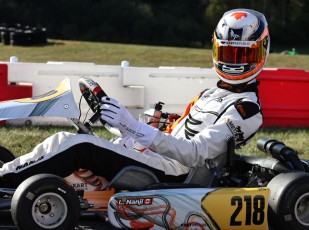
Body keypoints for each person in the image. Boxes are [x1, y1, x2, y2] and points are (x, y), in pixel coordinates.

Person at [0, 8, 269, 189]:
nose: (232, 63)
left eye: (241, 56)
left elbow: (196, 154)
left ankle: (6, 181)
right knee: (62, 140)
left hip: (177, 174)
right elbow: (179, 132)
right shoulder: (212, 93)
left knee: (80, 146)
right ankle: (8, 173)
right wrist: (148, 124)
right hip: (155, 156)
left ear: (260, 53)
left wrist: (133, 127)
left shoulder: (246, 110)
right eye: (227, 53)